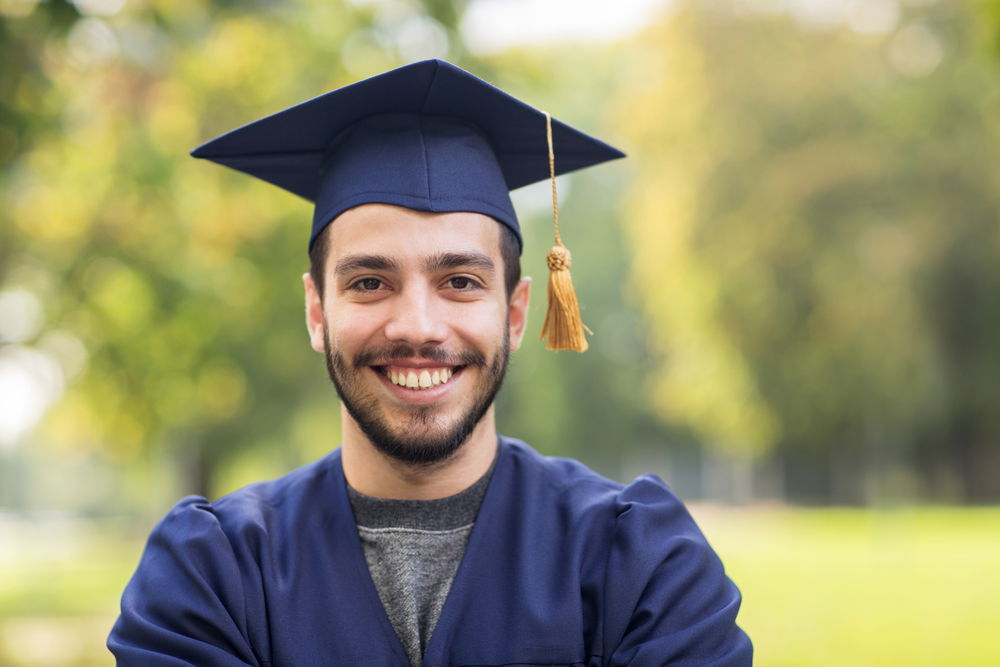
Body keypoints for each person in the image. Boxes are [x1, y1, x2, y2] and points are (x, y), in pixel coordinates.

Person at [108, 59, 752, 666]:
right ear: (315, 311)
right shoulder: (213, 572)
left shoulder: (639, 561)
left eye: (462, 282)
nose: (417, 325)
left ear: (517, 313)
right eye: (368, 282)